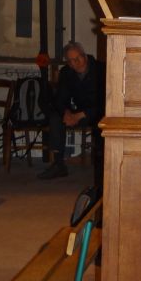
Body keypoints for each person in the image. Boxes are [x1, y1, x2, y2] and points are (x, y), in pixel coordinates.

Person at [38, 41, 105, 181]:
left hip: (97, 112)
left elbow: (105, 101)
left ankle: (103, 165)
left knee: (103, 120)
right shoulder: (66, 72)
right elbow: (60, 99)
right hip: (77, 112)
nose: (76, 63)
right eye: (71, 61)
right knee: (56, 117)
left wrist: (81, 115)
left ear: (84, 55)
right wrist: (66, 113)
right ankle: (58, 164)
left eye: (78, 58)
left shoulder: (101, 69)